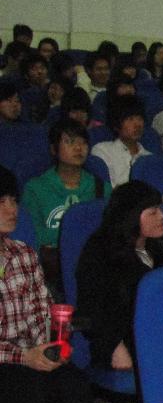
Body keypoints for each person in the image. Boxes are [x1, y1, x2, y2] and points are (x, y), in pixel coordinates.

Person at [0, 165, 122, 403]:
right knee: (28, 387)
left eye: (12, 200)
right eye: (1, 202)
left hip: (29, 355)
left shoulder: (22, 253)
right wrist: (24, 357)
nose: (11, 209)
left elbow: (41, 311)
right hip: (9, 362)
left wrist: (52, 346)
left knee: (71, 382)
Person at [76, 181, 163, 373]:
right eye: (153, 212)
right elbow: (91, 309)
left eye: (160, 209)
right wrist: (115, 346)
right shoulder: (100, 252)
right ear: (131, 216)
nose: (162, 216)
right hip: (122, 340)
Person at [22, 119, 111, 285]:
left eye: (83, 142)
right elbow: (35, 234)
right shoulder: (35, 188)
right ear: (53, 149)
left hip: (94, 266)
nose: (78, 147)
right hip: (54, 271)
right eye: (70, 142)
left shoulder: (101, 188)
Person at [91, 96, 151, 187]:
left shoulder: (149, 157)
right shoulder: (103, 150)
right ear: (116, 125)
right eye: (130, 119)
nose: (137, 124)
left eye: (140, 118)